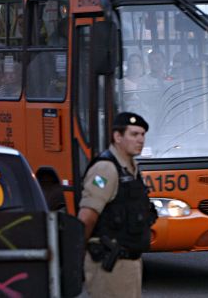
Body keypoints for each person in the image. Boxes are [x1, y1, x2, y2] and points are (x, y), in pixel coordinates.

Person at [77, 112, 157, 298]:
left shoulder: (130, 168)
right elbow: (87, 216)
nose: (140, 140)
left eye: (143, 135)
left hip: (130, 262)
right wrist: (77, 256)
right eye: (134, 134)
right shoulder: (106, 169)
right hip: (110, 263)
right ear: (117, 137)